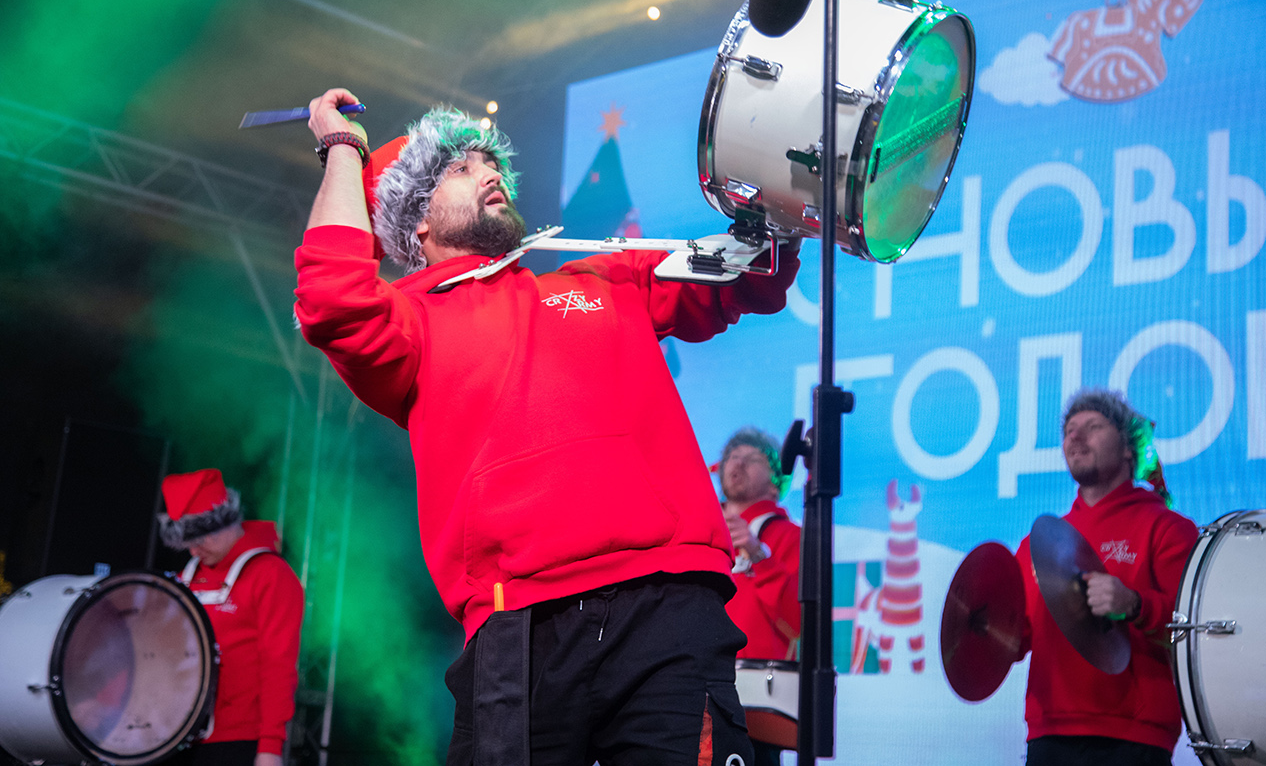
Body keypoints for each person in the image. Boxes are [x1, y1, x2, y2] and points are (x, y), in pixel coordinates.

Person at [293, 89, 802, 766]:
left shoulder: (599, 280)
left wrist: (787, 188)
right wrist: (342, 148)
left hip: (668, 604)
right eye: (460, 168)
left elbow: (749, 274)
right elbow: (330, 298)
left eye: (489, 162)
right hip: (517, 625)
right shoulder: (409, 324)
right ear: (417, 224)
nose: (488, 172)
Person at [1014, 389, 1198, 766]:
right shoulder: (1035, 545)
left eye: (1093, 426)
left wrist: (1135, 604)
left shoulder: (1168, 528)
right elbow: (1014, 639)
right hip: (1049, 734)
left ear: (1129, 449)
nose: (1075, 436)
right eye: (1069, 430)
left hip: (1133, 737)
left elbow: (1193, 630)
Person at [158, 468, 304, 766]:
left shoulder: (271, 575)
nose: (193, 550)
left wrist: (270, 747)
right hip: (174, 737)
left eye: (200, 538)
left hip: (237, 741)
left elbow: (278, 666)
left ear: (226, 522)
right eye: (187, 541)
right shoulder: (186, 577)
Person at [716, 427, 801, 766]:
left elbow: (799, 622)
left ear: (775, 482)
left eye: (751, 459)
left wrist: (759, 555)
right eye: (732, 457)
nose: (737, 463)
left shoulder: (791, 537)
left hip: (760, 707)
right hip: (694, 692)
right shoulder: (700, 533)